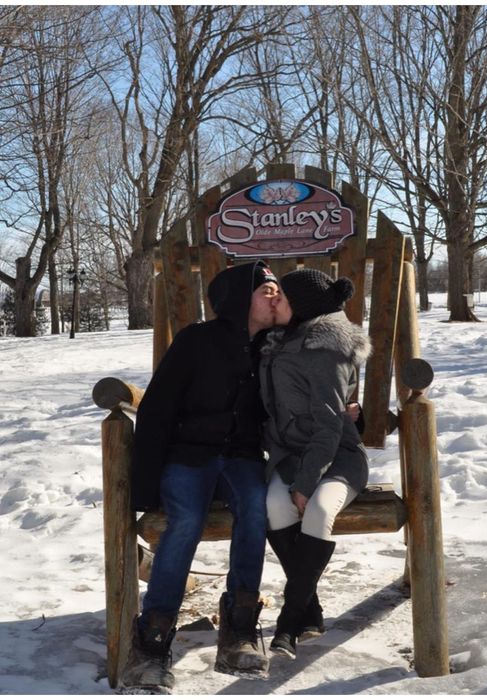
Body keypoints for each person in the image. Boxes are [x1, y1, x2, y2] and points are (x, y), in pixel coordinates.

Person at [119, 261, 279, 692]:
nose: (274, 295)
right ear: (237, 299)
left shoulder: (273, 345)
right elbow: (157, 409)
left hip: (242, 456)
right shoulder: (196, 341)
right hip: (187, 455)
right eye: (265, 288)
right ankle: (152, 642)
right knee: (186, 520)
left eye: (277, 289)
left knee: (255, 508)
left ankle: (240, 628)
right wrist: (147, 484)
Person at [260, 268, 371, 658]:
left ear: (302, 308)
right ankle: (312, 609)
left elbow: (328, 426)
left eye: (283, 298)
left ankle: (289, 622)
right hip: (291, 456)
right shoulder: (281, 341)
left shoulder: (325, 350)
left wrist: (306, 484)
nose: (275, 302)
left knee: (318, 510)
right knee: (273, 507)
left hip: (337, 456)